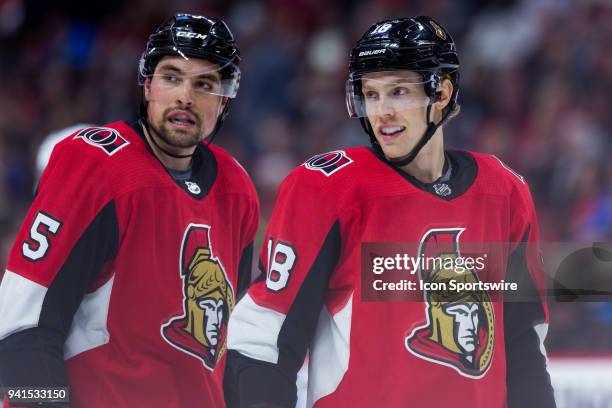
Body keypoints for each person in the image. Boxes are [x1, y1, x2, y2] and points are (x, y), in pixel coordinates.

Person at [226, 16, 556, 407]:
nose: (381, 112)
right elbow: (265, 337)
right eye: (371, 94)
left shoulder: (504, 193)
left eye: (398, 92)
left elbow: (523, 350)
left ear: (442, 93)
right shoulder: (328, 188)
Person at [0, 13, 258, 408]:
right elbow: (20, 326)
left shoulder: (237, 189)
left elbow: (230, 347)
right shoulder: (94, 164)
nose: (185, 96)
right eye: (171, 77)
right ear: (148, 85)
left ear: (225, 100)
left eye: (204, 84)